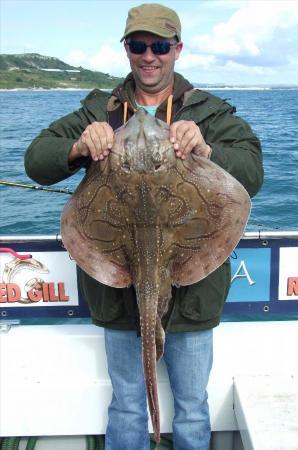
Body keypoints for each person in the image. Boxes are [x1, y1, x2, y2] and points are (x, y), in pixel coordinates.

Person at [25, 4, 263, 450]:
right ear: (127, 49)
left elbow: (252, 171)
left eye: (159, 45)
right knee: (128, 401)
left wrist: (208, 149)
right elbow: (37, 160)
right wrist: (78, 146)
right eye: (138, 45)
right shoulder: (99, 108)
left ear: (177, 49)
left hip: (195, 293)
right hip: (118, 293)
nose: (148, 55)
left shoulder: (209, 111)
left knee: (192, 405)